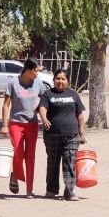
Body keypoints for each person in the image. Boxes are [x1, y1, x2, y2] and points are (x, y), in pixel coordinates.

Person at [38, 69, 86, 200]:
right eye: (58, 78)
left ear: (67, 81)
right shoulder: (48, 94)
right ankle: (51, 190)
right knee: (53, 163)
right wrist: (44, 119)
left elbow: (80, 114)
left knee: (69, 162)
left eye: (63, 79)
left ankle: (69, 191)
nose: (60, 81)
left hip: (72, 135)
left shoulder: (73, 94)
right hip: (52, 135)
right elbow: (42, 108)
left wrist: (82, 132)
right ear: (53, 80)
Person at [0, 58, 44, 198]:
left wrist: (40, 108)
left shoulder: (38, 83)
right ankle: (16, 175)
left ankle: (29, 189)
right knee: (18, 153)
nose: (37, 74)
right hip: (16, 123)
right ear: (29, 69)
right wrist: (4, 125)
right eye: (36, 71)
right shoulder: (13, 82)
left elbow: (44, 99)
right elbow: (6, 105)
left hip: (32, 124)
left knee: (30, 156)